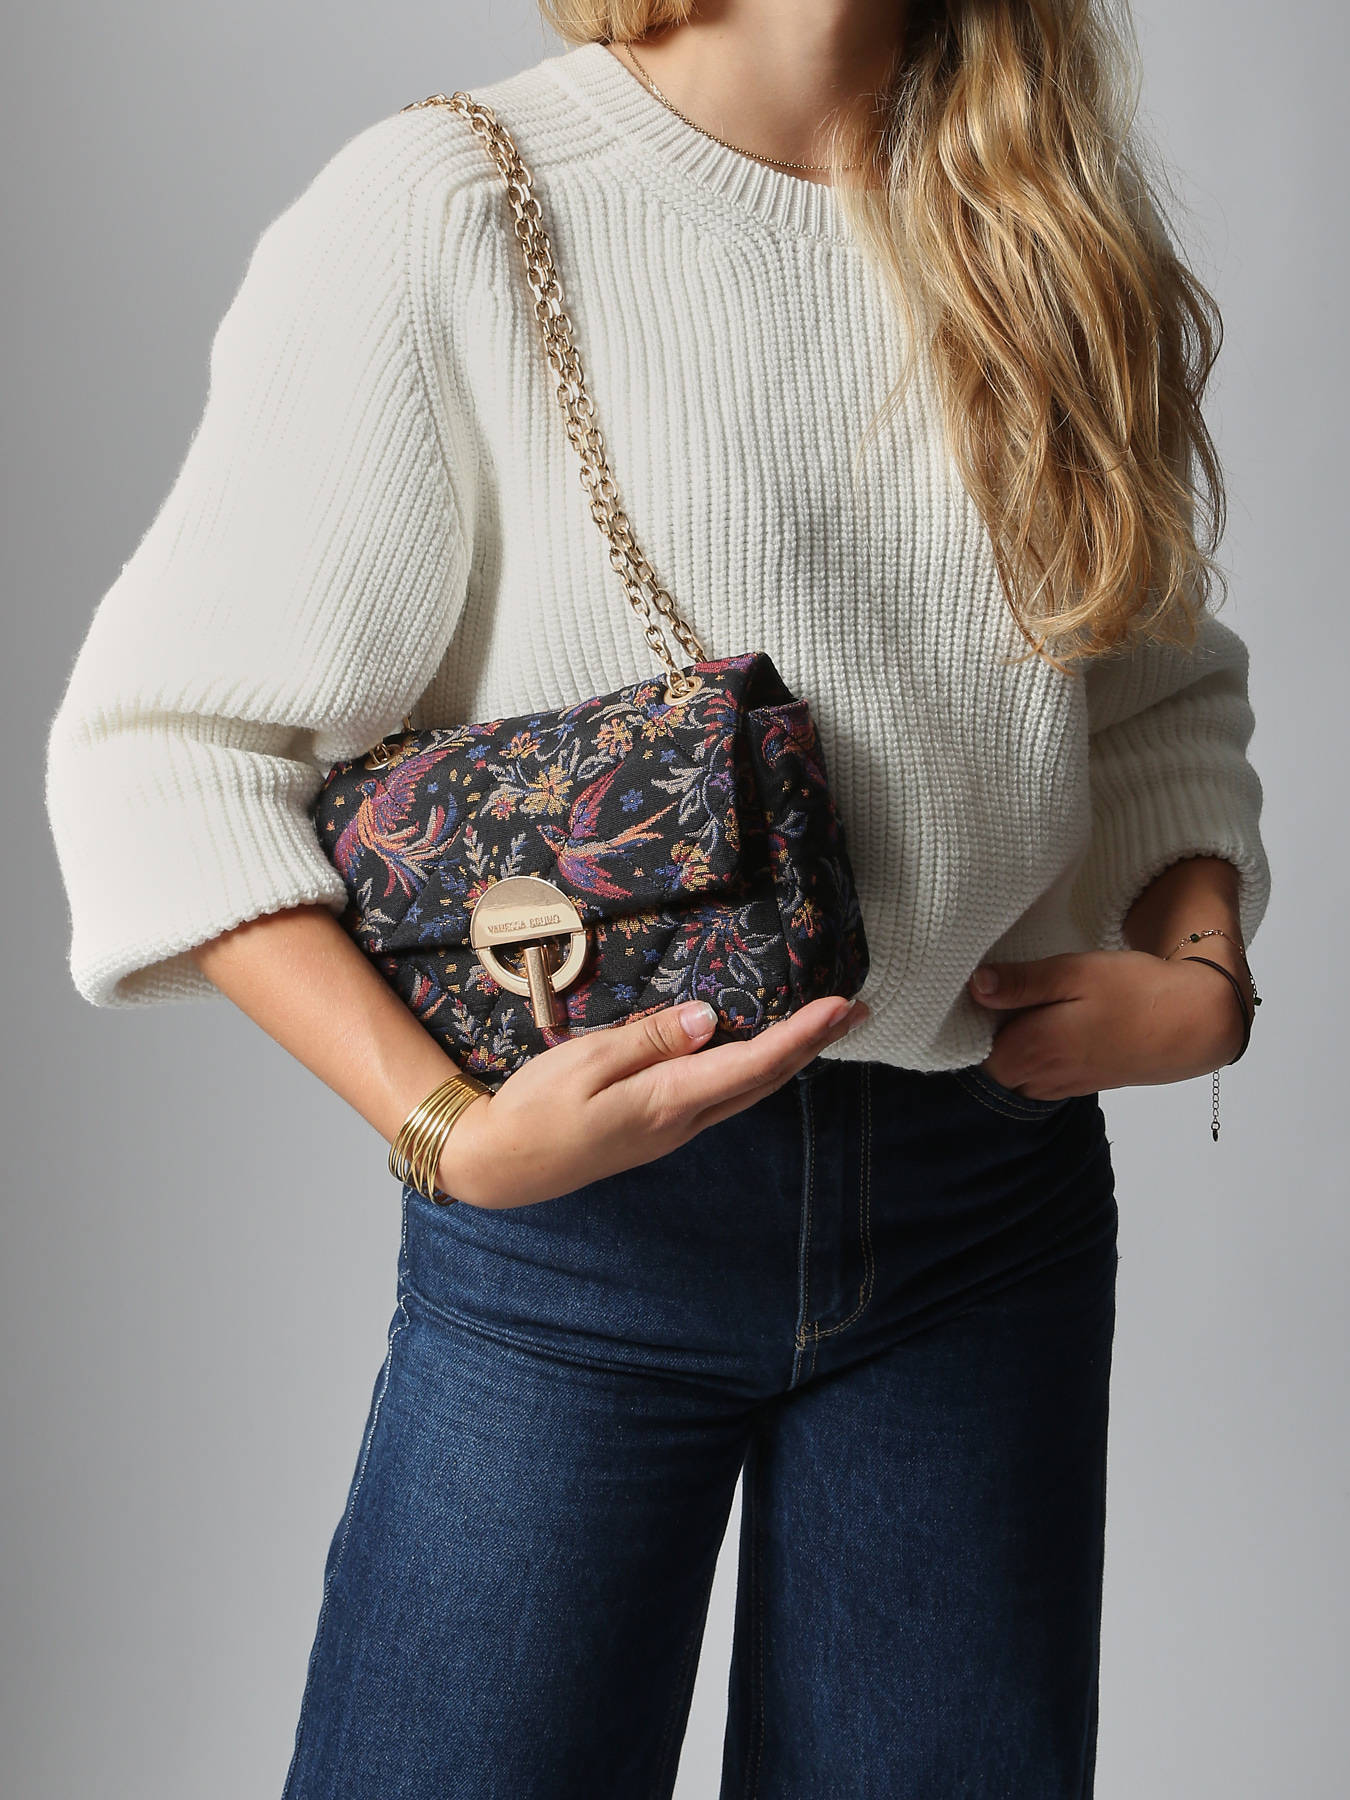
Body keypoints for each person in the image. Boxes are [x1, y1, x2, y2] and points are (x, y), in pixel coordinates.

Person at [43, 2, 1270, 1795]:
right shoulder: (451, 205)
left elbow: (1153, 684)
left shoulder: (1042, 217)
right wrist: (449, 1132)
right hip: (584, 1231)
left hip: (986, 1206)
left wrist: (1201, 964)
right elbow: (166, 750)